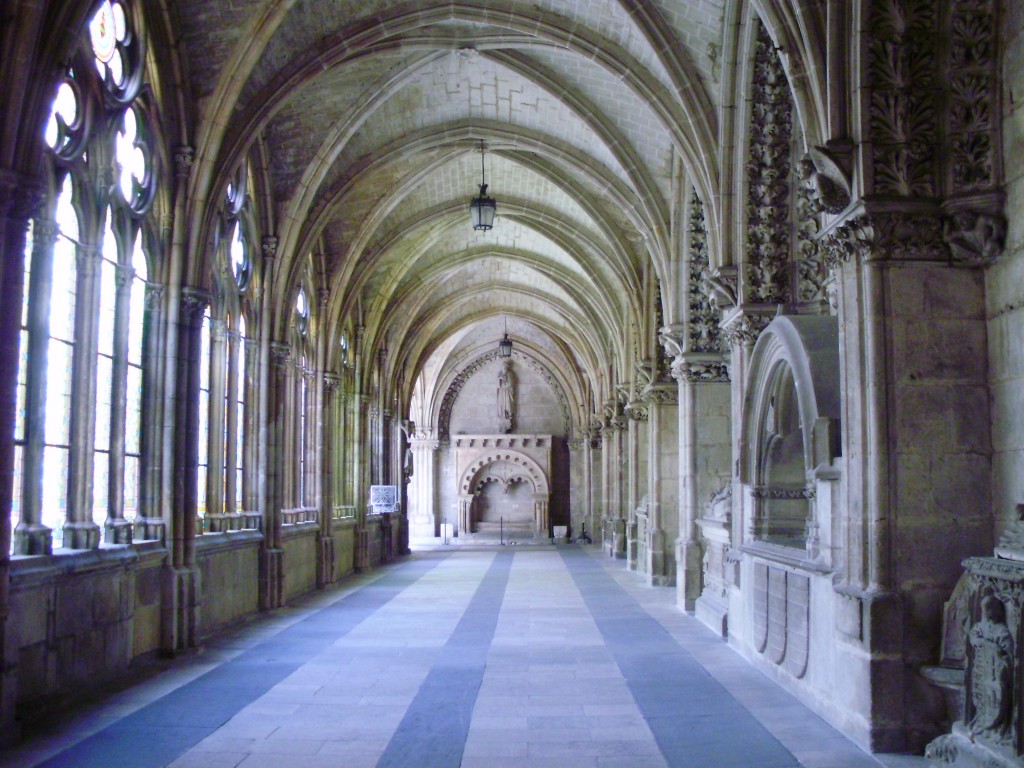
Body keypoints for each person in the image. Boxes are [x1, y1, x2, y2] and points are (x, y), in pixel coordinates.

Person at [497, 361, 515, 433]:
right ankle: (502, 415)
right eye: (503, 367)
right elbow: (497, 385)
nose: (504, 368)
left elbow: (510, 383)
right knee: (501, 405)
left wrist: (505, 381)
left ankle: (508, 416)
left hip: (507, 392)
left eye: (505, 367)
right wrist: (500, 379)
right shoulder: (500, 374)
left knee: (508, 404)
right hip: (501, 392)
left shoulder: (510, 374)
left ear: (507, 368)